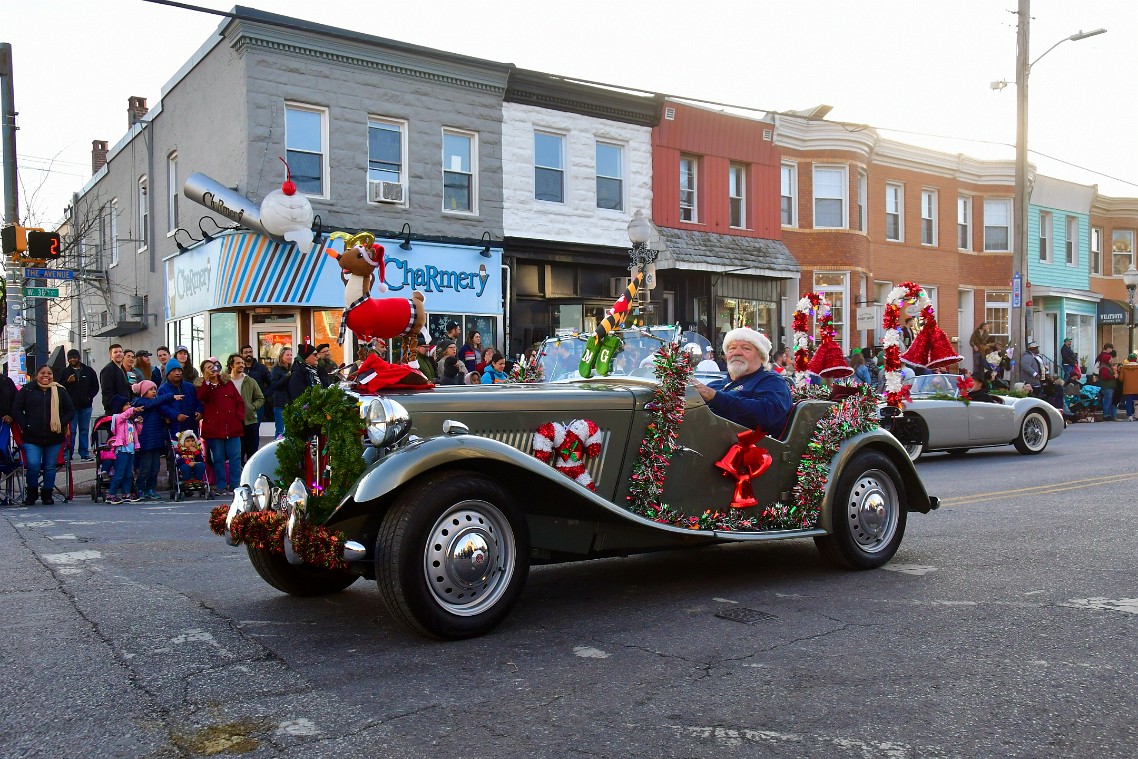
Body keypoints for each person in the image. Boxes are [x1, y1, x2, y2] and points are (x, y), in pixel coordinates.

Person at [691, 328, 792, 434]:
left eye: (746, 348)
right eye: (732, 348)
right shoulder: (715, 385)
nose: (737, 353)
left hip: (751, 448)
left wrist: (715, 397)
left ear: (762, 357)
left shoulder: (771, 381)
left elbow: (767, 414)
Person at [12, 365, 76, 505]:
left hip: (54, 437)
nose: (46, 375)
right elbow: (16, 410)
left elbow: (70, 411)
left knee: (49, 466)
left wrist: (60, 423)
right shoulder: (27, 390)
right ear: (36, 375)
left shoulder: (59, 390)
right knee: (34, 465)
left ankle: (47, 494)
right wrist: (26, 425)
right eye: (42, 373)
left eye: (49, 373)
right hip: (32, 437)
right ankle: (32, 493)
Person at [196, 358, 245, 495]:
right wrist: (206, 381)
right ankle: (221, 485)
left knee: (235, 456)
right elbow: (202, 397)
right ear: (203, 371)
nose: (211, 369)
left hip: (232, 427)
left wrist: (239, 417)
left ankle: (235, 484)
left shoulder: (227, 383)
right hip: (214, 429)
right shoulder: (203, 386)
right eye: (207, 367)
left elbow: (239, 401)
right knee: (218, 458)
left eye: (213, 366)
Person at [131, 380, 174, 501]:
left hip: (156, 440)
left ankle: (151, 488)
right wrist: (170, 396)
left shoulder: (155, 404)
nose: (154, 392)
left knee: (155, 467)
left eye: (155, 389)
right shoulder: (141, 402)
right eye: (151, 389)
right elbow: (154, 403)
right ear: (144, 392)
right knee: (146, 467)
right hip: (145, 441)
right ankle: (140, 488)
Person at [59, 349, 99, 460]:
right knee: (70, 431)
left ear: (79, 358)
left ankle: (84, 452)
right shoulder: (64, 372)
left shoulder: (88, 371)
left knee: (84, 430)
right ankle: (68, 453)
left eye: (74, 357)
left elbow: (95, 386)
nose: (72, 359)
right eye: (70, 358)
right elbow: (58, 386)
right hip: (70, 407)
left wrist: (89, 397)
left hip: (86, 406)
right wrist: (67, 382)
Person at [104, 395, 141, 505]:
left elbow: (136, 433)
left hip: (130, 449)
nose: (129, 406)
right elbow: (124, 415)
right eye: (126, 405)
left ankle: (126, 493)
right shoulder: (117, 418)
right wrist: (133, 409)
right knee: (119, 473)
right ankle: (111, 494)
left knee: (128, 474)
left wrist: (139, 423)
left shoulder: (130, 422)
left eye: (130, 404)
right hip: (121, 449)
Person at [228, 354, 265, 463]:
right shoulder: (225, 382)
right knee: (237, 452)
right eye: (238, 363)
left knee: (252, 453)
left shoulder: (250, 381)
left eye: (242, 363)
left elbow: (260, 398)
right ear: (231, 365)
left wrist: (252, 407)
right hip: (233, 422)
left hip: (250, 421)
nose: (241, 365)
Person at [157, 364, 202, 436]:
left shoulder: (189, 386)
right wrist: (176, 415)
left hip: (192, 426)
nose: (177, 373)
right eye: (174, 371)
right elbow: (162, 407)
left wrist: (199, 411)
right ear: (168, 374)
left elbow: (198, 401)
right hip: (174, 428)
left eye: (179, 370)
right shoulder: (162, 389)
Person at [241, 344, 272, 422]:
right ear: (241, 354)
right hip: (242, 403)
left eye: (250, 352)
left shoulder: (261, 368)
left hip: (257, 403)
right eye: (246, 352)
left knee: (255, 427)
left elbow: (272, 383)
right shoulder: (239, 368)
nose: (248, 354)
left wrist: (264, 395)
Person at [268, 347, 293, 437]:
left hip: (290, 403)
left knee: (290, 430)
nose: (289, 357)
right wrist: (287, 376)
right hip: (280, 404)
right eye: (287, 355)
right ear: (281, 356)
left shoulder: (291, 368)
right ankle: (277, 450)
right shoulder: (276, 369)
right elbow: (275, 385)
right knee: (280, 431)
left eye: (291, 355)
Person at [100, 343, 132, 413]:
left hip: (125, 407)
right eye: (115, 352)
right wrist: (119, 406)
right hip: (115, 409)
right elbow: (107, 392)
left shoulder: (122, 368)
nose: (118, 354)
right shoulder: (108, 370)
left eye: (120, 352)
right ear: (111, 355)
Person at [1095, 343, 1119, 420]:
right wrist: (1114, 376)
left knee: (1108, 401)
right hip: (1107, 386)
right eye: (1110, 359)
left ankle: (1108, 415)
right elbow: (1106, 377)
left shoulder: (1107, 367)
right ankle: (1106, 415)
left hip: (1109, 386)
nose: (1112, 360)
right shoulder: (1104, 367)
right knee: (1107, 401)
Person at [1118, 352, 1138, 421]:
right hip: (1137, 388)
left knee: (1129, 402)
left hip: (1127, 388)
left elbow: (1121, 379)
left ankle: (1130, 416)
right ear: (1136, 359)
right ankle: (1136, 415)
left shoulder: (1123, 368)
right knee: (1137, 402)